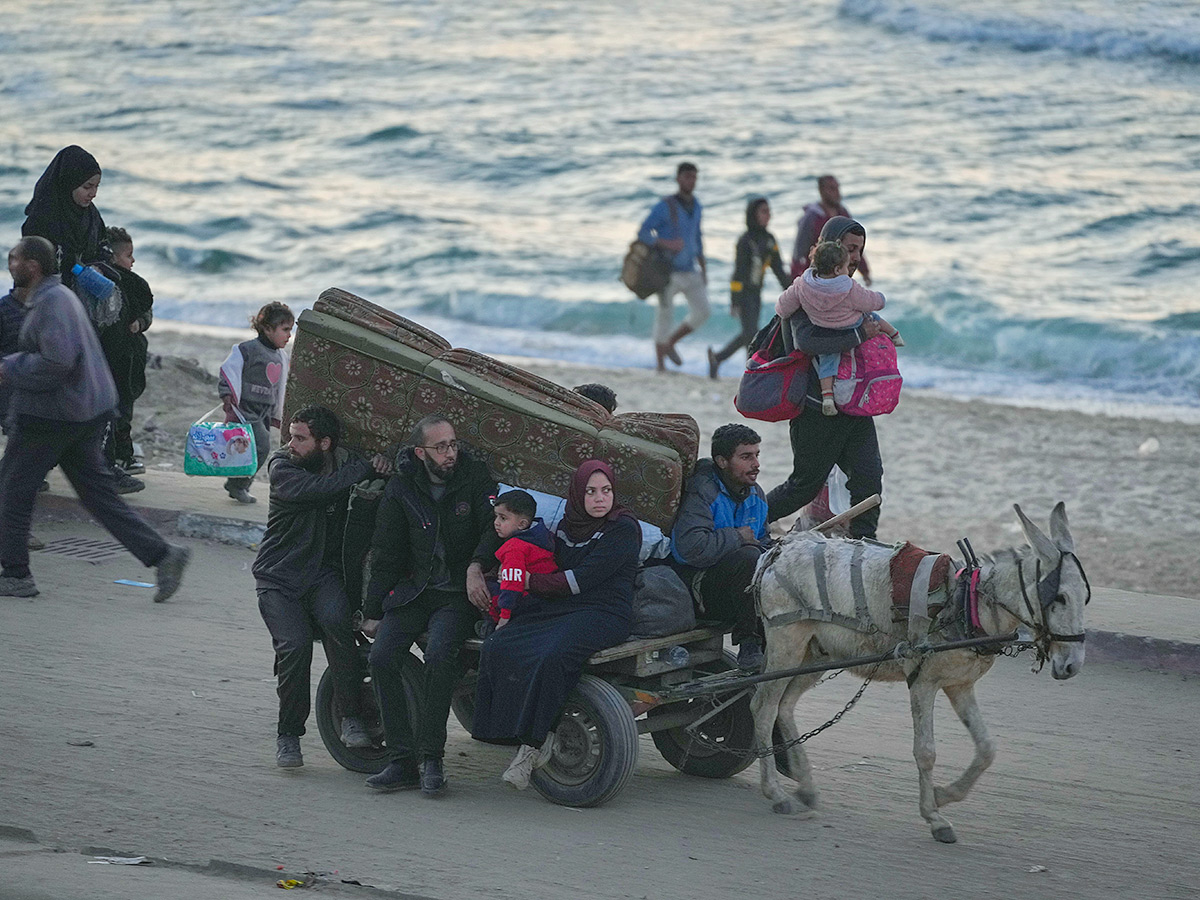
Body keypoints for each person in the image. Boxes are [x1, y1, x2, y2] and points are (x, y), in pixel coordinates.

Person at [0, 237, 190, 600]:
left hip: (54, 414)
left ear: (33, 266)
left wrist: (9, 367)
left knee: (13, 489)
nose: (10, 264)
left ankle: (16, 574)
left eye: (15, 259)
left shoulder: (51, 302)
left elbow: (58, 361)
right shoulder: (54, 297)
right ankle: (164, 555)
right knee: (98, 495)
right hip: (84, 410)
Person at [472, 459, 640, 790]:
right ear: (578, 494)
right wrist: (487, 570)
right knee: (499, 643)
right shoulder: (566, 526)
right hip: (563, 607)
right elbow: (523, 544)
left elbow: (583, 578)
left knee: (552, 655)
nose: (599, 499)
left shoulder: (623, 528)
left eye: (606, 491)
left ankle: (533, 745)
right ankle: (506, 730)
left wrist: (527, 582)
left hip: (605, 611)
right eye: (590, 491)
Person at [360, 415, 498, 796]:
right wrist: (373, 610)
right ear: (421, 452)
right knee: (382, 656)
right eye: (441, 447)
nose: (450, 453)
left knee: (440, 655)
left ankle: (432, 759)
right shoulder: (403, 486)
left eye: (453, 444)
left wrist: (476, 567)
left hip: (457, 594)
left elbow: (493, 528)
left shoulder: (475, 477)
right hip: (414, 591)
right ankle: (401, 760)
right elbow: (387, 549)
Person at [251, 404, 393, 768]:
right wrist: (363, 469)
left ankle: (350, 717)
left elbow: (371, 482)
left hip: (320, 576)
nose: (290, 444)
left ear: (324, 443)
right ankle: (288, 735)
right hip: (278, 577)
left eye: (300, 438)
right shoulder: (283, 468)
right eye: (290, 436)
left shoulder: (345, 466)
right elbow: (320, 490)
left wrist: (381, 467)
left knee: (339, 621)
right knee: (295, 647)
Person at [767, 216, 884, 540]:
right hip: (816, 410)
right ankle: (747, 519)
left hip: (854, 407)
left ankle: (865, 542)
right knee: (802, 487)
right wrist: (860, 335)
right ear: (831, 248)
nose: (855, 257)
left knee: (869, 480)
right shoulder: (810, 292)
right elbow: (806, 342)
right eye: (849, 249)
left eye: (859, 250)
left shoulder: (849, 292)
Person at [670, 424, 771, 671]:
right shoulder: (702, 491)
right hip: (699, 591)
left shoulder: (756, 494)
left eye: (757, 455)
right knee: (748, 557)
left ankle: (770, 653)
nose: (755, 464)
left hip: (740, 590)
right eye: (746, 457)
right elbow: (688, 548)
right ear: (722, 461)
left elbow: (763, 540)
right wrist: (736, 536)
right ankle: (748, 641)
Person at [777, 239, 902, 415]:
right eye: (845, 265)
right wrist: (881, 299)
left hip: (824, 330)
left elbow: (782, 308)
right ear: (837, 269)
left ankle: (827, 396)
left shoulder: (802, 285)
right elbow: (871, 301)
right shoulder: (848, 288)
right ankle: (894, 334)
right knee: (871, 316)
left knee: (828, 361)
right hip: (850, 326)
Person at [218, 302, 293, 504]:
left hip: (264, 410)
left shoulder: (280, 356)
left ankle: (236, 483)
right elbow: (229, 370)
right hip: (246, 410)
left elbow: (282, 382)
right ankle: (238, 485)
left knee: (252, 448)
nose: (289, 336)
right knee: (261, 447)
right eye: (285, 330)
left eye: (291, 330)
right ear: (267, 328)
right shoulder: (247, 349)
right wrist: (226, 394)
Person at [637, 162, 709, 372]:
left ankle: (671, 343)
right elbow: (643, 232)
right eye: (687, 177)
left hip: (690, 269)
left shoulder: (697, 206)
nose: (691, 181)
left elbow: (698, 237)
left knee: (703, 311)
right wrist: (665, 243)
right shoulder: (665, 206)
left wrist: (704, 267)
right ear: (678, 179)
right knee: (664, 315)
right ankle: (660, 365)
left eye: (694, 177)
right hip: (667, 271)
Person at [708, 197, 790, 379]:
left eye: (769, 211)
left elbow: (778, 270)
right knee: (750, 333)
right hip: (744, 295)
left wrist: (794, 290)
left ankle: (719, 359)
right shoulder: (745, 241)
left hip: (757, 293)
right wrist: (735, 301)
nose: (769, 215)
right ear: (753, 215)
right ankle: (750, 372)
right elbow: (738, 274)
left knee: (749, 334)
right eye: (764, 211)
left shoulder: (770, 240)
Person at [99, 227, 154, 476]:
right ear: (113, 256)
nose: (133, 261)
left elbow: (146, 311)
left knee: (125, 409)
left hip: (132, 357)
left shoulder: (135, 285)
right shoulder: (103, 281)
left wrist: (139, 323)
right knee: (117, 411)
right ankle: (119, 456)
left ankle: (124, 456)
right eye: (128, 255)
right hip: (113, 358)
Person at [21, 146, 107, 292]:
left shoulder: (91, 215)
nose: (93, 193)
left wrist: (97, 268)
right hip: (47, 295)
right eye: (87, 187)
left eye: (96, 187)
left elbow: (103, 248)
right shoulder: (42, 219)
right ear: (69, 183)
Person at [482, 489, 557, 636]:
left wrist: (504, 617)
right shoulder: (542, 536)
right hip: (547, 596)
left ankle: (491, 625)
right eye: (496, 516)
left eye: (503, 518)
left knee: (487, 587)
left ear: (522, 524)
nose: (496, 523)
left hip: (527, 599)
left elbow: (513, 583)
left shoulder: (514, 547)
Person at [789, 175, 871, 284]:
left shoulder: (842, 213)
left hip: (841, 274)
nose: (837, 193)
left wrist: (864, 271)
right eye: (832, 189)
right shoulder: (812, 217)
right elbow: (799, 252)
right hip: (817, 277)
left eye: (837, 188)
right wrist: (797, 280)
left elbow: (854, 243)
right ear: (822, 191)